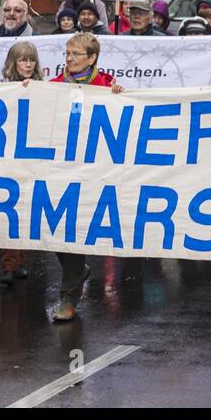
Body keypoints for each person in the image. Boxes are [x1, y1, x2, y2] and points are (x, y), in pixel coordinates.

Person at [48, 32, 123, 321]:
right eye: (66, 54)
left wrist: (120, 97)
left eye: (75, 55)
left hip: (91, 173)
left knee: (73, 230)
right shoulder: (52, 87)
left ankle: (67, 299)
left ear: (92, 58)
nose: (68, 59)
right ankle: (77, 271)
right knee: (51, 229)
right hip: (58, 170)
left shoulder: (107, 88)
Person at [0, 40, 42, 284]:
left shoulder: (43, 87)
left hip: (32, 159)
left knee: (24, 212)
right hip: (8, 158)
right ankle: (7, 264)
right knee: (8, 210)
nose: (27, 64)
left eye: (31, 59)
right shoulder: (3, 89)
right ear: (13, 63)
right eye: (23, 59)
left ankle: (17, 260)